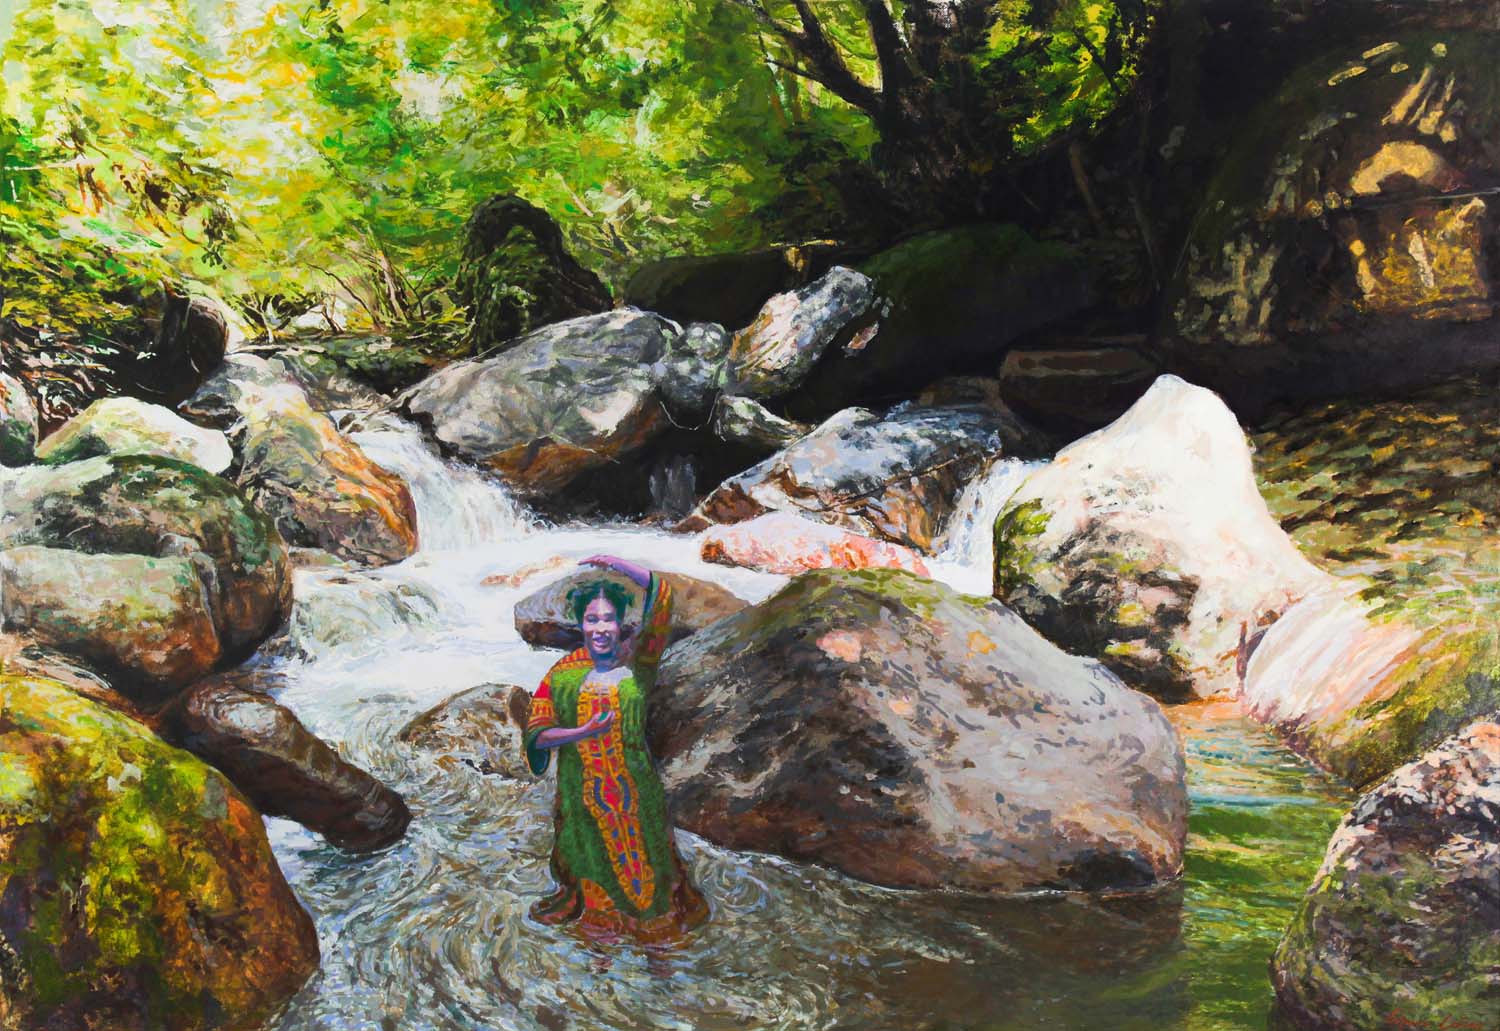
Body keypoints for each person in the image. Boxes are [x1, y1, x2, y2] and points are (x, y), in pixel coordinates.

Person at [522, 555, 708, 943]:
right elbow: (537, 735)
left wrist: (617, 564)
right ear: (581, 625)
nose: (601, 628)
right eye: (592, 619)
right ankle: (600, 971)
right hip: (582, 801)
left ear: (621, 624)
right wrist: (581, 732)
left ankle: (660, 966)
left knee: (657, 905)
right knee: (595, 907)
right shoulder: (561, 674)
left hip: (638, 800)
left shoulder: (638, 660)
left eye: (608, 619)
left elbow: (662, 596)